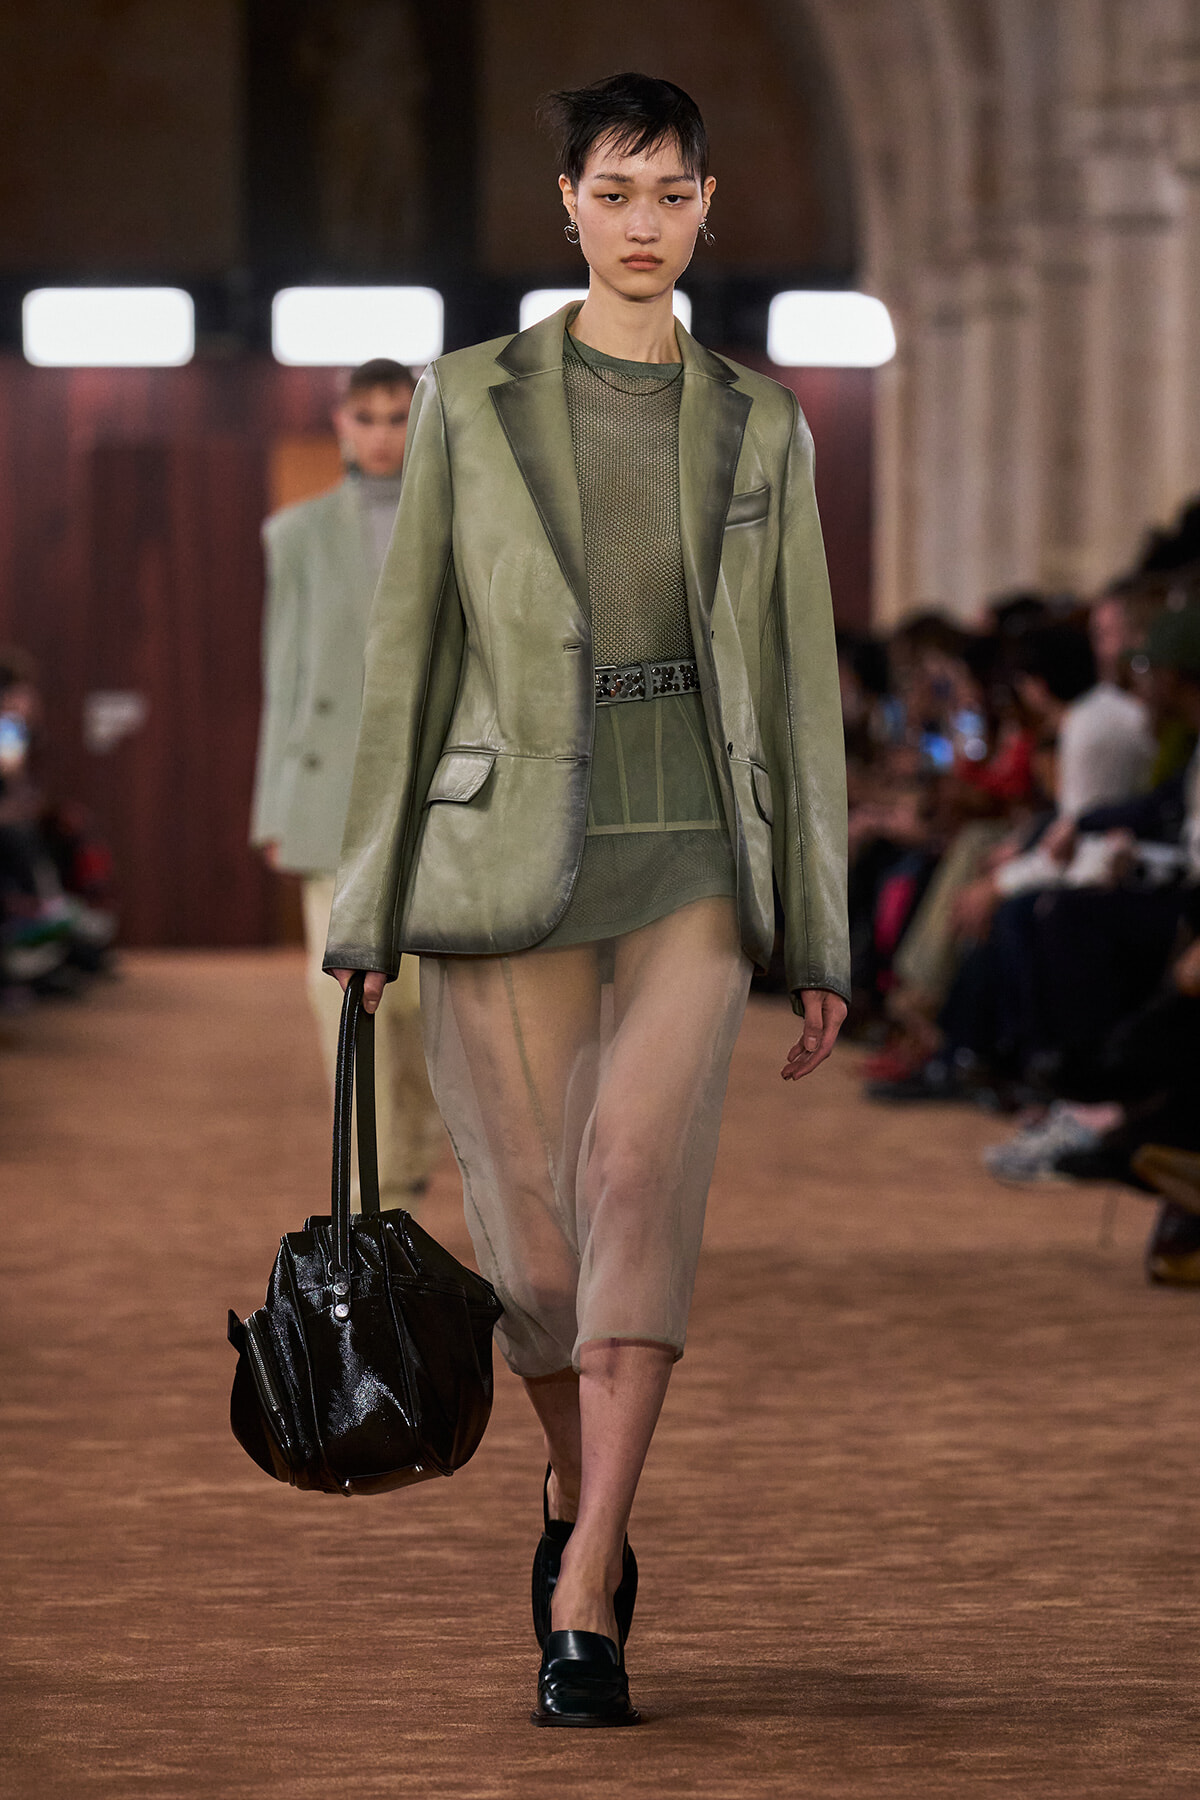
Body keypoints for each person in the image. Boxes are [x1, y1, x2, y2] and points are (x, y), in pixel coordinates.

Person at [325, 73, 849, 1726]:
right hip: (503, 855)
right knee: (535, 1245)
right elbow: (410, 663)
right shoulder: (470, 403)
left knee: (637, 1176)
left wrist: (820, 928)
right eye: (615, 192)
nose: (643, 222)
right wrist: (366, 900)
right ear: (567, 203)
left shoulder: (764, 424)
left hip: (692, 838)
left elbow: (801, 683)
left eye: (672, 193)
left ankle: (585, 1583)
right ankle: (581, 1501)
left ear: (708, 208)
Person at [250, 359, 443, 1207]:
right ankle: (372, 1189)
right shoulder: (293, 535)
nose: (381, 433)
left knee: (413, 1003)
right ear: (339, 423)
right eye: (366, 416)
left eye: (397, 416)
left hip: (433, 789)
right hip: (330, 790)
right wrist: (272, 805)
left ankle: (408, 1159)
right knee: (340, 1001)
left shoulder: (459, 525)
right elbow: (282, 675)